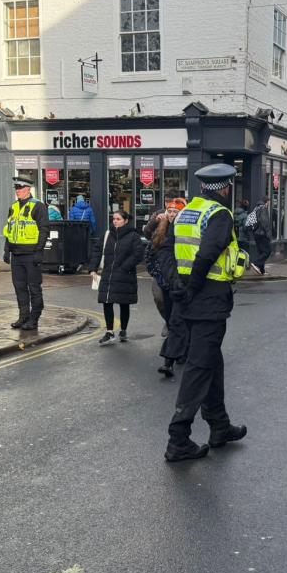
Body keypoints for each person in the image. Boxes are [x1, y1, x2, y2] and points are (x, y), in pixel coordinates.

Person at [164, 163, 249, 462]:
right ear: (225, 188)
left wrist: (177, 285)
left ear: (202, 187)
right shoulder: (220, 214)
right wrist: (192, 288)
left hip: (186, 299)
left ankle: (219, 426)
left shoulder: (186, 212)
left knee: (212, 361)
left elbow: (169, 251)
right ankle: (178, 439)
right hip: (208, 300)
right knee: (199, 368)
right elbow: (207, 254)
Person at [3, 177, 50, 331]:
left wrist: (39, 252)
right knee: (19, 287)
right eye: (16, 189)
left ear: (28, 189)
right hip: (16, 255)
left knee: (34, 287)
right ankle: (23, 316)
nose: (18, 191)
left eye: (20, 189)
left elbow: (44, 230)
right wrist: (6, 250)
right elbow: (9, 230)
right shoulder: (13, 207)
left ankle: (34, 318)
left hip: (31, 254)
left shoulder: (38, 206)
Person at [92, 209, 145, 345]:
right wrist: (93, 268)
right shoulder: (107, 234)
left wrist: (125, 267)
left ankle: (123, 330)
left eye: (118, 219)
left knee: (124, 303)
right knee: (106, 301)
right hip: (108, 273)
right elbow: (97, 250)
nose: (115, 221)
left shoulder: (133, 236)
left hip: (125, 274)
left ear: (125, 221)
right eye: (114, 219)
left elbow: (138, 254)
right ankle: (109, 332)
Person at [145, 205, 185, 378]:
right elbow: (149, 253)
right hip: (165, 283)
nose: (172, 214)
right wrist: (156, 273)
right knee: (171, 319)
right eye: (170, 210)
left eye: (176, 211)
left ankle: (170, 360)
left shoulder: (184, 231)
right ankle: (178, 351)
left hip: (180, 283)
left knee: (177, 322)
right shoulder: (161, 230)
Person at [245, 196, 274, 275]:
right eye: (269, 202)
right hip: (262, 234)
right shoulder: (263, 208)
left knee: (262, 252)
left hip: (256, 234)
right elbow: (264, 222)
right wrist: (268, 234)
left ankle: (262, 270)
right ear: (266, 201)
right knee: (267, 251)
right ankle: (256, 263)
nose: (269, 204)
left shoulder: (257, 208)